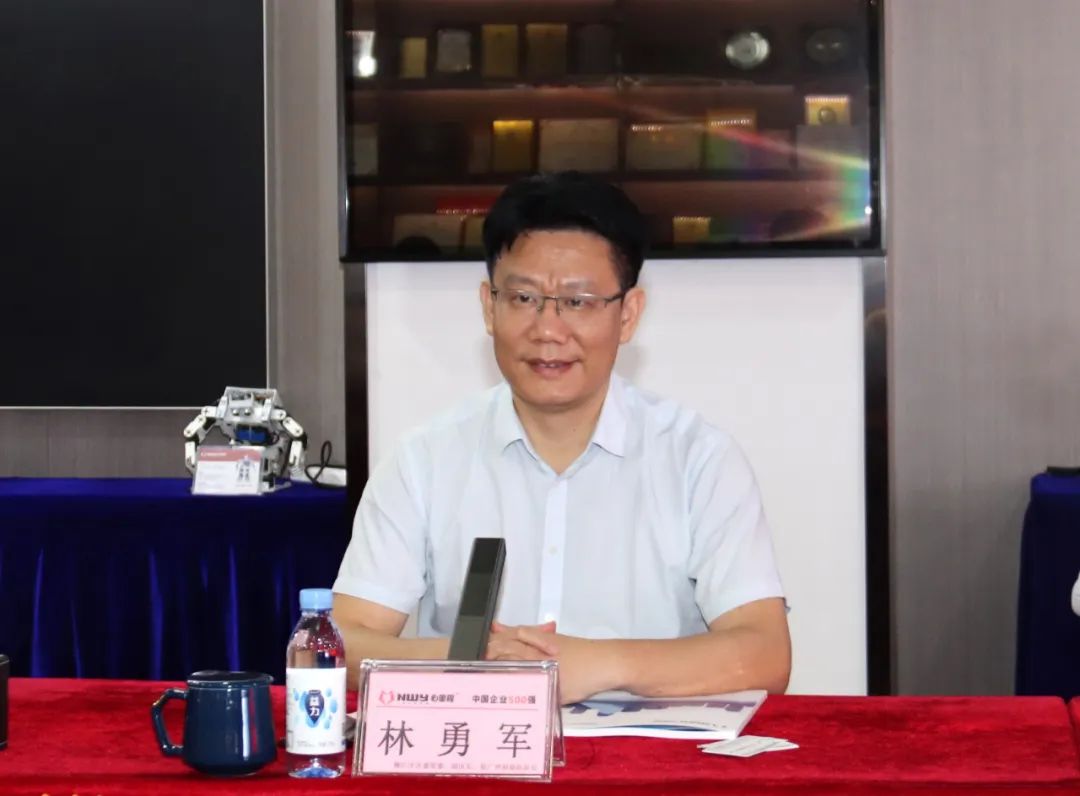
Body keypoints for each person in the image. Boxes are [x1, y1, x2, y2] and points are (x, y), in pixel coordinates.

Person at [332, 172, 790, 703]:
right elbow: (337, 642)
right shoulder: (425, 460)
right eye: (523, 297)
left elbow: (765, 653)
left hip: (648, 751)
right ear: (489, 307)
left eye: (578, 302)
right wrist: (473, 657)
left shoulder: (698, 460)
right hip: (483, 746)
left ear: (628, 315)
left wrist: (598, 663)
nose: (548, 330)